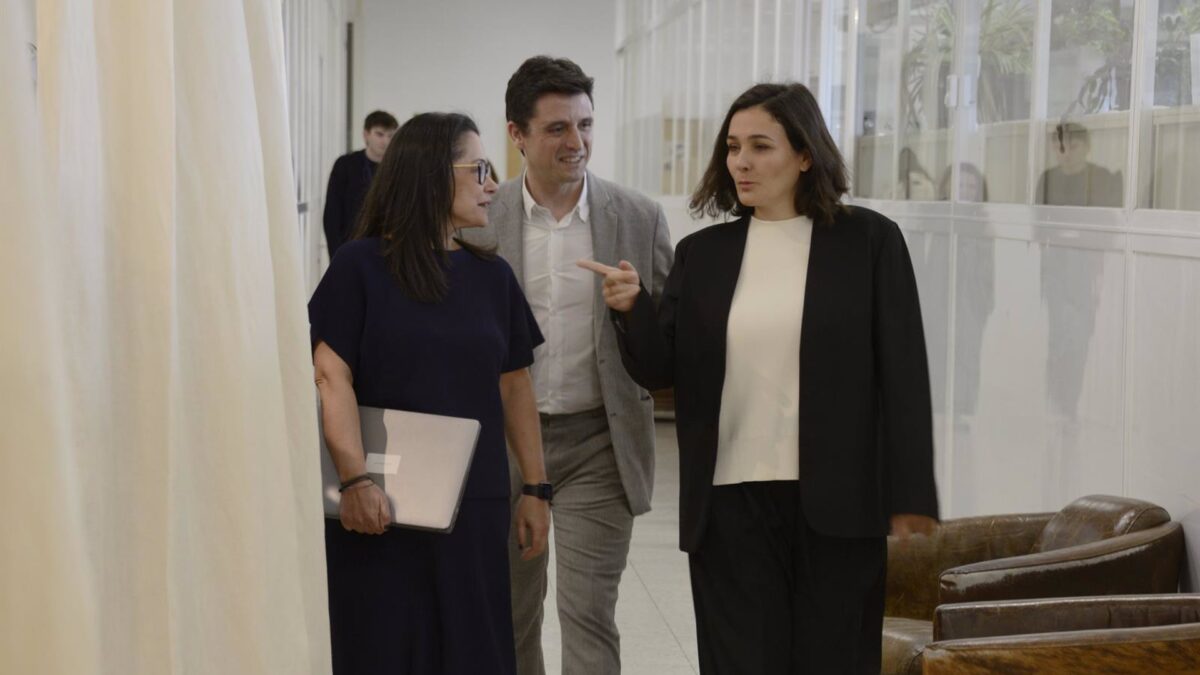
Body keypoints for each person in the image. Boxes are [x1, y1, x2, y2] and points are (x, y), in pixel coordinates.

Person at [580, 82, 940, 673]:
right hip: (729, 504)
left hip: (839, 504)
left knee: (835, 661)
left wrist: (911, 493)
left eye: (760, 146)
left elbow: (903, 370)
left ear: (805, 155)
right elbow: (661, 369)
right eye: (733, 147)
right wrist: (633, 309)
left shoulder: (868, 241)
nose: (741, 162)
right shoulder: (703, 254)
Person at [309, 112, 550, 675]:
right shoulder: (359, 266)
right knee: (383, 649)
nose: (493, 185)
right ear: (434, 174)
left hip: (475, 502)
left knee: (475, 649)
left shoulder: (493, 278)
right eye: (479, 169)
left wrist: (537, 489)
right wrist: (354, 479)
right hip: (378, 504)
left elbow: (515, 386)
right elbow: (330, 377)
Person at [464, 55, 673, 675]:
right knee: (508, 614)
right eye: (557, 128)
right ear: (517, 134)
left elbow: (666, 345)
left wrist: (636, 308)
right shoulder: (479, 222)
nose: (575, 142)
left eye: (585, 125)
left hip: (598, 442)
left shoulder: (637, 217)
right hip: (501, 441)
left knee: (588, 613)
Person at [322, 110, 398, 257]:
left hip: (386, 250)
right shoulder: (345, 165)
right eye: (379, 134)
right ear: (366, 134)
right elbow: (332, 213)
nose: (385, 141)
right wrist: (337, 255)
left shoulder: (398, 169)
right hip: (350, 245)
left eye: (390, 136)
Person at [1034, 121, 1122, 208]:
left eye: (1073, 147)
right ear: (1054, 148)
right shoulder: (1047, 179)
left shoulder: (1103, 178)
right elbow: (1038, 214)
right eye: (1061, 148)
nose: (1066, 154)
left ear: (1087, 147)